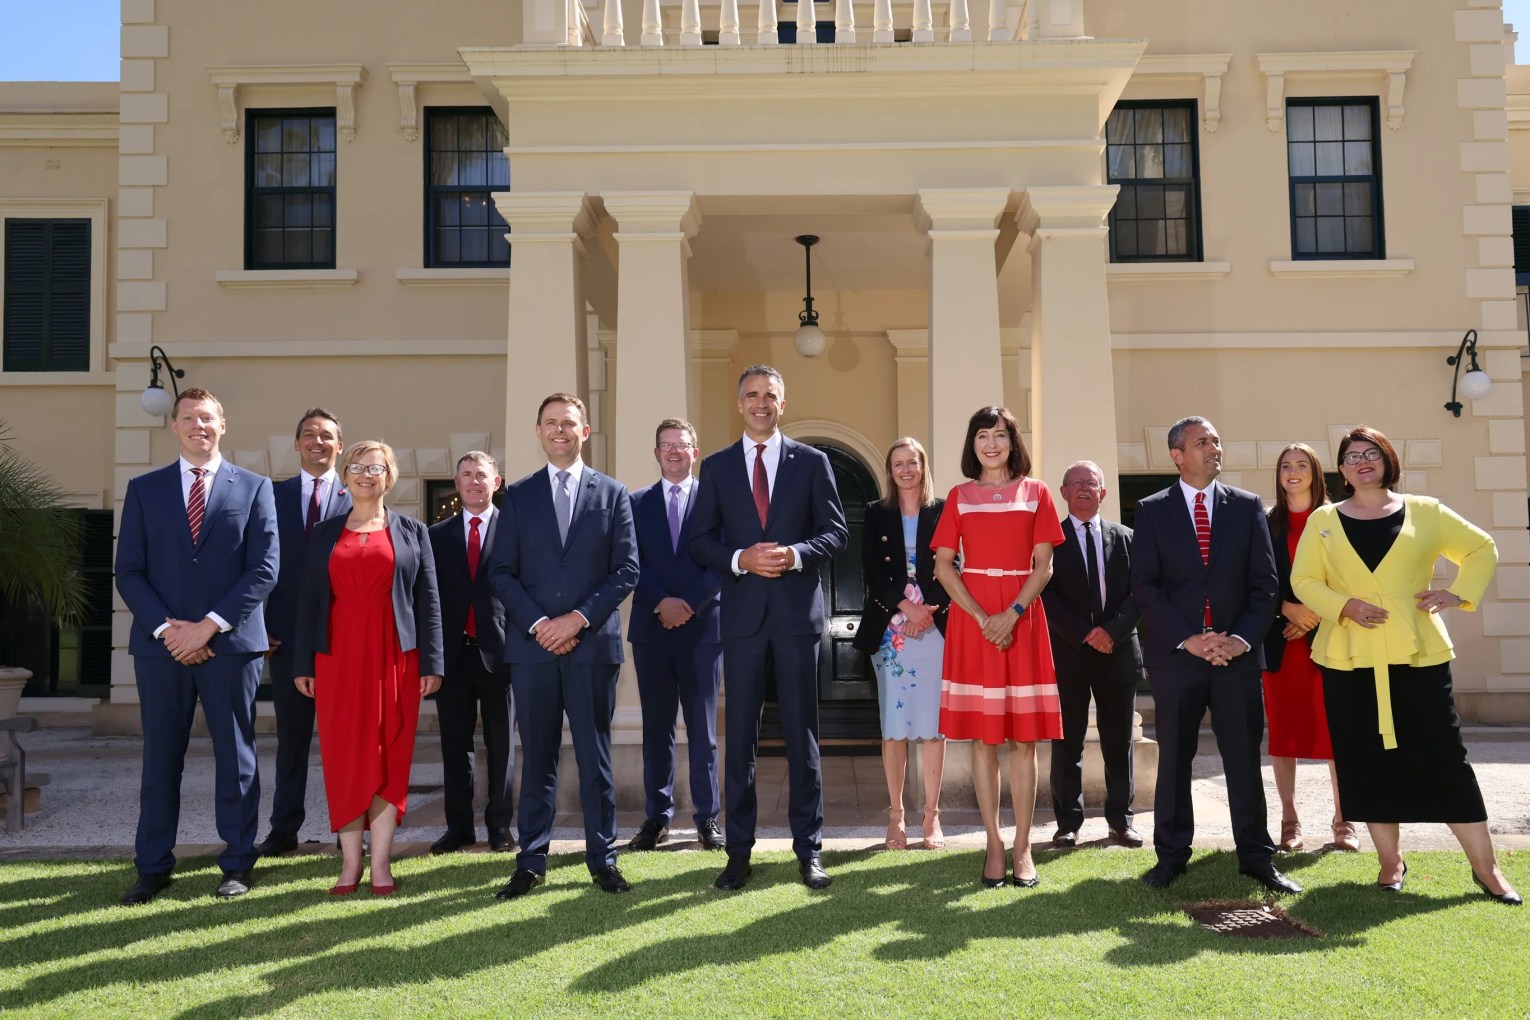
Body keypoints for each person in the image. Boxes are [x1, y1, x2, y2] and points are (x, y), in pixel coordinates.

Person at [1292, 425, 1519, 905]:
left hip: (1418, 653)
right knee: (1366, 760)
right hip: (1349, 658)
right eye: (1352, 456)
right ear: (1343, 469)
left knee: (1446, 757)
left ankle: (1489, 869)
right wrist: (1345, 606)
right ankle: (1390, 864)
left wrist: (1457, 594)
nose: (1362, 461)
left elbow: (1482, 548)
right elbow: (1305, 579)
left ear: (1387, 460)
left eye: (1371, 453)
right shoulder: (1323, 520)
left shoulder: (1426, 511)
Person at [115, 387, 279, 904]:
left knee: (237, 758)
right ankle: (153, 866)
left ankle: (236, 863)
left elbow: (264, 568)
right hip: (160, 648)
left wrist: (207, 627)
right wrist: (171, 630)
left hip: (229, 647)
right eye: (188, 418)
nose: (198, 426)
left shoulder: (254, 488)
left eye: (207, 417)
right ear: (175, 427)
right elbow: (129, 571)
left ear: (222, 425)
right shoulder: (144, 489)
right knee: (161, 758)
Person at [690, 365, 849, 891]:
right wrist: (740, 559)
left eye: (770, 396)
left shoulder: (813, 462)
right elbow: (701, 542)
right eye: (752, 395)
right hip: (740, 621)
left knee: (803, 737)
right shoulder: (714, 467)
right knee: (741, 739)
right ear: (740, 403)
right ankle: (738, 852)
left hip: (796, 619)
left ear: (783, 403)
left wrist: (795, 554)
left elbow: (835, 533)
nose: (761, 403)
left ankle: (810, 850)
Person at [1131, 416, 1297, 895]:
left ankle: (1255, 857)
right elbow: (1145, 586)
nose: (1214, 447)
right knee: (1175, 759)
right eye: (1202, 441)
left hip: (1237, 657)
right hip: (1178, 657)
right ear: (1177, 455)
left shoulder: (1246, 508)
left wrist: (1240, 639)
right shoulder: (1152, 509)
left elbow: (1265, 584)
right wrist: (1191, 638)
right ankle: (1171, 858)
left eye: (1217, 440)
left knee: (1244, 759)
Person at [489, 393, 639, 899]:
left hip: (592, 646)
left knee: (595, 755)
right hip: (533, 650)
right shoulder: (517, 495)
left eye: (569, 423)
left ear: (585, 430)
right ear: (538, 432)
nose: (560, 431)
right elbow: (502, 572)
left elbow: (626, 570)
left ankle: (604, 858)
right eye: (551, 423)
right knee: (537, 756)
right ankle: (531, 860)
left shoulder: (614, 494)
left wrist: (575, 620)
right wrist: (539, 625)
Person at [291, 441, 444, 896]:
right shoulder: (323, 532)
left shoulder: (414, 531)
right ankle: (348, 866)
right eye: (356, 466)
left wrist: (431, 662)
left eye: (374, 467)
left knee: (391, 754)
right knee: (343, 757)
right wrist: (303, 661)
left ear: (389, 476)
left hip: (396, 656)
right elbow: (308, 601)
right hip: (337, 657)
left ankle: (381, 866)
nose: (364, 474)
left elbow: (429, 603)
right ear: (344, 475)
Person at [931, 406, 1063, 889]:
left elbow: (1044, 565)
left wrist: (1013, 613)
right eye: (983, 436)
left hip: (1022, 619)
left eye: (1000, 435)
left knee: (1023, 740)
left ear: (1013, 441)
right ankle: (992, 842)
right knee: (984, 740)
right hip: (974, 623)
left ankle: (1024, 845)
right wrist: (983, 618)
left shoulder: (1037, 492)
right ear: (973, 444)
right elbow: (945, 567)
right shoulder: (959, 498)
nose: (991, 444)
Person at [256, 408, 351, 858]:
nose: (318, 442)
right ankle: (283, 828)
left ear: (340, 446)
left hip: (342, 643)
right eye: (309, 435)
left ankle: (346, 827)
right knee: (291, 741)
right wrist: (260, 627)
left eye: (327, 436)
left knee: (343, 742)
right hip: (286, 641)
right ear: (296, 445)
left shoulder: (359, 500)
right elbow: (254, 566)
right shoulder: (268, 497)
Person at [627, 418, 725, 853]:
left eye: (681, 444)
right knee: (657, 729)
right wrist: (661, 603)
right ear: (656, 453)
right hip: (652, 629)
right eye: (666, 445)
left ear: (694, 450)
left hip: (703, 628)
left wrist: (688, 604)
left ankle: (708, 819)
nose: (673, 451)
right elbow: (628, 563)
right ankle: (657, 817)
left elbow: (722, 560)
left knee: (703, 729)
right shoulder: (634, 503)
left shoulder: (715, 501)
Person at [853, 437, 950, 851]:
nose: (906, 469)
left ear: (923, 466)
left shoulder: (944, 510)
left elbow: (955, 564)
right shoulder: (876, 514)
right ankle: (896, 818)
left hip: (935, 628)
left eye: (912, 462)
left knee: (932, 728)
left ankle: (932, 818)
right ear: (890, 471)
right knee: (894, 729)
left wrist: (926, 610)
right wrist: (904, 610)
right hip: (890, 633)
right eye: (898, 464)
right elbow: (871, 569)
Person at [1041, 460, 1143, 849]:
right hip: (1069, 654)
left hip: (1118, 652)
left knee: (1120, 742)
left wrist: (1110, 632)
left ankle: (1121, 821)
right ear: (1063, 492)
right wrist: (1086, 634)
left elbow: (1141, 593)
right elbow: (1046, 597)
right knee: (1068, 743)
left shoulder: (1128, 538)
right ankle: (1068, 823)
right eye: (1076, 482)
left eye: (1092, 483)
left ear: (1103, 493)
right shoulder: (1050, 542)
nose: (1084, 488)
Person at [1261, 443, 1356, 853]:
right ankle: (1290, 820)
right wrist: (1286, 609)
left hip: (1331, 637)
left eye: (1302, 466)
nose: (1293, 472)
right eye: (1286, 466)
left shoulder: (1339, 519)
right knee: (1284, 733)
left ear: (1317, 474)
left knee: (1338, 732)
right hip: (1281, 643)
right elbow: (1255, 579)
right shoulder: (1265, 523)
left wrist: (1314, 615)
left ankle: (1345, 821)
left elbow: (1350, 577)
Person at [428, 452, 517, 856]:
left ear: (495, 482)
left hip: (501, 655)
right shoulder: (437, 535)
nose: (474, 481)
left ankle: (499, 826)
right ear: (457, 482)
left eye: (482, 475)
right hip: (453, 656)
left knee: (502, 744)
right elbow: (427, 602)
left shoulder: (514, 531)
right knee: (454, 746)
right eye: (466, 475)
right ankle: (459, 827)